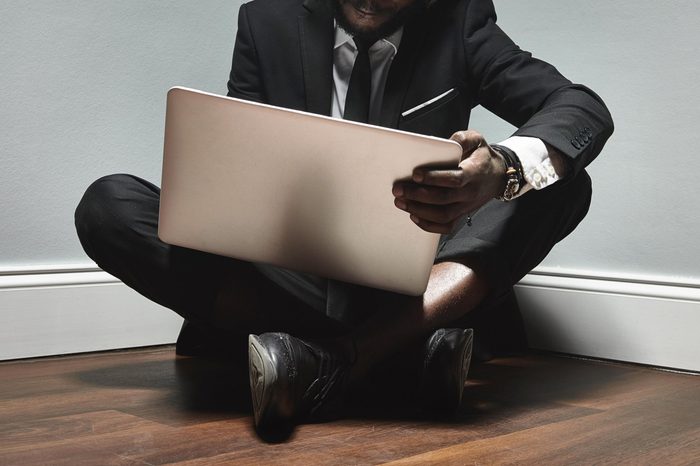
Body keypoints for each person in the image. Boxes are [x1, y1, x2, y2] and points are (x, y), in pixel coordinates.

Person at [75, 0, 613, 438]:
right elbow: (245, 164)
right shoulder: (266, 20)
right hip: (290, 268)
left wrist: (500, 168)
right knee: (108, 205)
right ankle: (393, 353)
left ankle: (330, 361)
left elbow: (581, 107)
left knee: (560, 181)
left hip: (412, 268)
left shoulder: (459, 19)